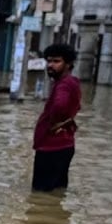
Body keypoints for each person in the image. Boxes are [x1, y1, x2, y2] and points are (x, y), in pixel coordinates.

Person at [32, 43, 81, 192]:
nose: (50, 65)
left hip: (52, 147)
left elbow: (60, 106)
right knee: (57, 192)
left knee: (40, 195)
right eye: (49, 61)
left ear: (68, 64)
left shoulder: (64, 85)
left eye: (56, 61)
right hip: (63, 146)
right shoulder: (70, 82)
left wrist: (53, 124)